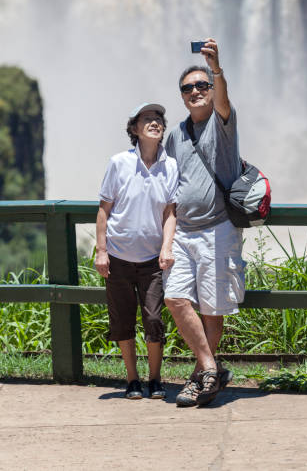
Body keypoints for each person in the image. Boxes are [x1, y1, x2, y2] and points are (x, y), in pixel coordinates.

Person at [164, 38, 245, 407]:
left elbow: (225, 100)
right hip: (183, 232)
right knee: (175, 297)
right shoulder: (175, 135)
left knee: (212, 308)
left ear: (212, 90)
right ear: (182, 96)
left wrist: (216, 67)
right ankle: (211, 367)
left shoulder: (223, 124)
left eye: (202, 86)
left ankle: (201, 379)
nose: (195, 91)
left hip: (218, 228)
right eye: (188, 88)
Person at [95, 103, 178, 400]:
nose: (154, 122)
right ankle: (132, 379)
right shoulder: (118, 163)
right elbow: (104, 210)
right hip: (117, 257)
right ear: (134, 129)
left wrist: (167, 247)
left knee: (154, 319)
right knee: (122, 320)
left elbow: (170, 212)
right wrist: (101, 251)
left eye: (158, 119)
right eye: (147, 119)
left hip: (152, 260)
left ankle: (155, 379)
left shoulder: (171, 166)